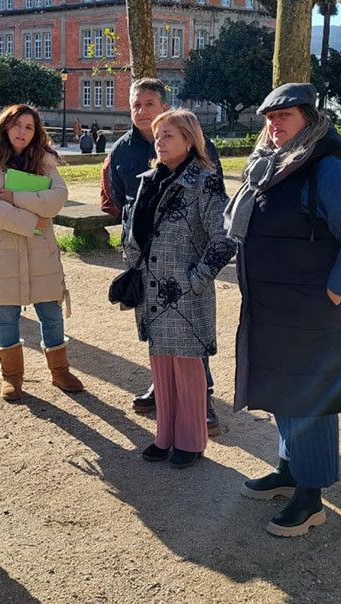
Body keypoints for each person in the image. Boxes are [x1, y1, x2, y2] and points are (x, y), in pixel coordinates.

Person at [226, 83, 341, 538]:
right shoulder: (269, 168)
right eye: (270, 117)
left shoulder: (327, 169)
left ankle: (310, 499)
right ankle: (289, 470)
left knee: (313, 399)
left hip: (313, 312)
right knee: (285, 392)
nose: (274, 125)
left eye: (284, 116)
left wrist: (330, 296)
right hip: (273, 307)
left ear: (308, 118)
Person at [105, 78, 224, 430]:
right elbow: (120, 202)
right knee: (159, 343)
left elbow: (218, 220)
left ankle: (203, 404)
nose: (141, 111)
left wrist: (197, 275)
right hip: (148, 270)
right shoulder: (122, 152)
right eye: (135, 104)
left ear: (164, 107)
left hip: (184, 272)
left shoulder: (202, 157)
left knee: (190, 345)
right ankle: (165, 406)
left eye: (148, 103)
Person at [122, 109, 235, 469]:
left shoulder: (205, 182)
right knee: (161, 367)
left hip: (184, 294)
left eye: (169, 134)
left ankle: (190, 441)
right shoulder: (148, 179)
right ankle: (165, 436)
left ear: (190, 139)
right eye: (157, 135)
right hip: (152, 289)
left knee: (187, 371)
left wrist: (197, 279)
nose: (160, 141)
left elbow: (225, 239)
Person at [0, 104, 83, 401]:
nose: (22, 131)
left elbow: (57, 200)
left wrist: (14, 196)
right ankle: (12, 377)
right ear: (5, 126)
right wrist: (32, 221)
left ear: (36, 133)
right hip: (4, 251)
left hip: (40, 252)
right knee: (6, 315)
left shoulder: (45, 161)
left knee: (51, 313)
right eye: (17, 125)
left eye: (29, 127)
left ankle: (60, 371)